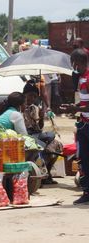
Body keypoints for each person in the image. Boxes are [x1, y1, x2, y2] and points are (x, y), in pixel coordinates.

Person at [60, 48, 89, 204]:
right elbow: (85, 102)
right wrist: (74, 106)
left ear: (79, 62)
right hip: (84, 123)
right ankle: (86, 191)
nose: (73, 66)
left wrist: (75, 108)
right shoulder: (82, 78)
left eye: (74, 63)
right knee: (83, 159)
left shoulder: (88, 78)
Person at [23, 82, 62, 184]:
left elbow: (39, 128)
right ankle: (40, 175)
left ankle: (47, 174)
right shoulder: (20, 108)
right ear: (24, 95)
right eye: (30, 95)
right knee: (42, 145)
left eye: (34, 96)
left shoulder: (34, 108)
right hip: (27, 137)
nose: (32, 98)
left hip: (36, 135)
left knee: (57, 145)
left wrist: (40, 118)